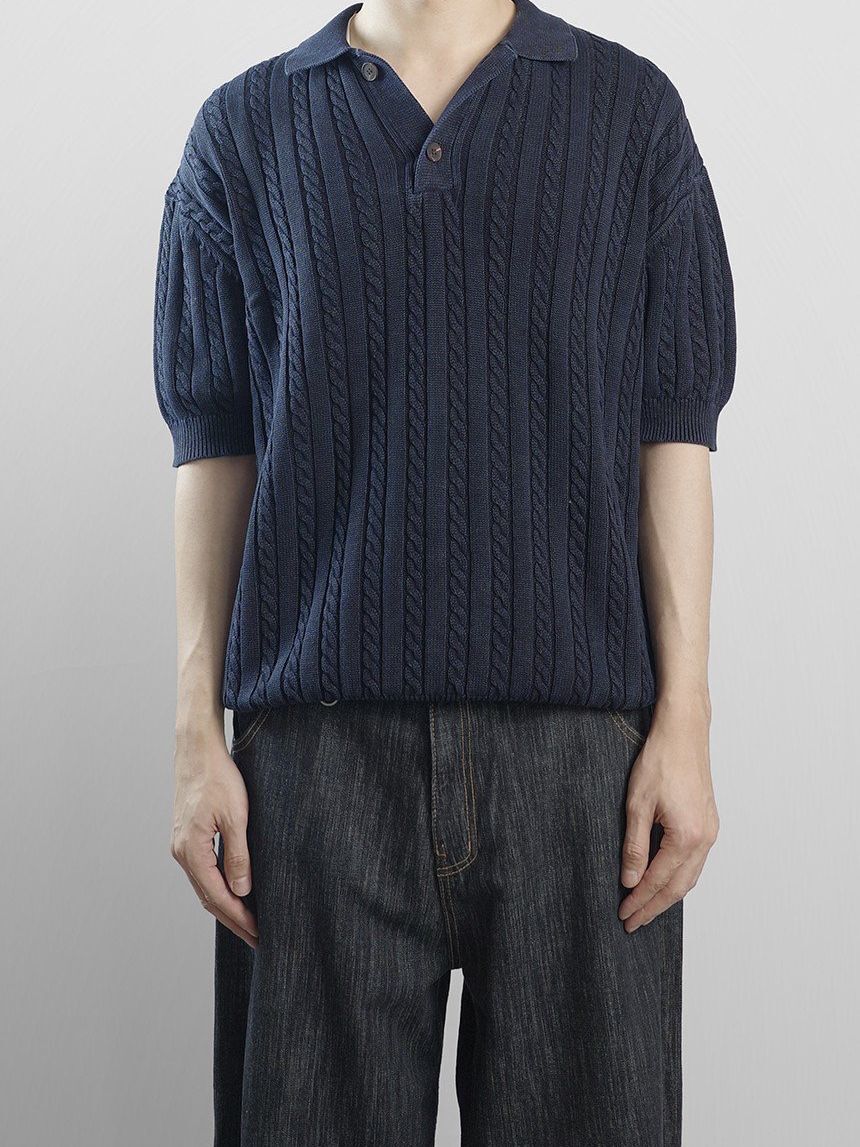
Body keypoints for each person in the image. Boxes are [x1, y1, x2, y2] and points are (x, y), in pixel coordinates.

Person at [152, 0, 735, 1141]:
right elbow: (212, 442)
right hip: (313, 772)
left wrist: (685, 719)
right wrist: (192, 730)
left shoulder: (631, 115)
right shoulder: (244, 132)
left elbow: (673, 428)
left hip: (583, 772)